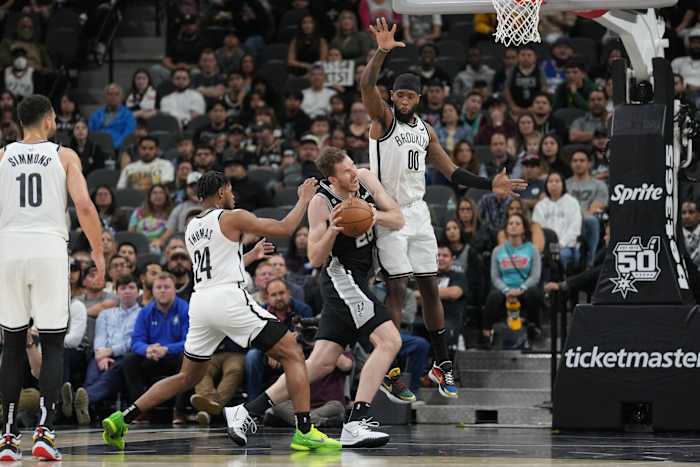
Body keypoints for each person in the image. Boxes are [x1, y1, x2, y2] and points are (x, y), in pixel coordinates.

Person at [101, 173, 340, 451]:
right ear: (222, 191)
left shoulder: (191, 227)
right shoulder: (232, 217)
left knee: (186, 377)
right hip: (228, 298)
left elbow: (217, 263)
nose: (234, 195)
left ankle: (121, 418)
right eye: (231, 190)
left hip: (201, 303)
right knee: (293, 352)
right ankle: (304, 431)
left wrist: (250, 256)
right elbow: (285, 227)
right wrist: (303, 200)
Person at [361, 18, 526, 402]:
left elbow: (451, 171)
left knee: (429, 288)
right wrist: (382, 51)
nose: (403, 100)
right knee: (398, 288)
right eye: (399, 95)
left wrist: (491, 184)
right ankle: (391, 365)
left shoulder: (425, 131)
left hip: (417, 213)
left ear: (418, 99)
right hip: (389, 213)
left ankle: (442, 363)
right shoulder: (382, 120)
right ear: (393, 96)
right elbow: (367, 85)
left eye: (409, 96)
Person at [228, 147, 404, 448]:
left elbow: (397, 218)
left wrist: (369, 214)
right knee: (390, 341)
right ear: (332, 178)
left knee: (320, 363)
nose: (353, 173)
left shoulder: (364, 179)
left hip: (359, 279)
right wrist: (334, 230)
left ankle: (246, 411)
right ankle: (357, 421)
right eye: (346, 171)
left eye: (352, 166)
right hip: (341, 278)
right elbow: (314, 256)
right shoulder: (322, 202)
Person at [0, 95, 105, 461]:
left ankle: (8, 436)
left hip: (8, 249)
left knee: (12, 344)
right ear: (48, 121)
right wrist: (98, 251)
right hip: (47, 248)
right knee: (53, 342)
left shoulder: (2, 156)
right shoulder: (64, 156)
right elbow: (85, 206)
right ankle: (45, 432)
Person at [122, 273, 190, 426]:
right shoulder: (146, 311)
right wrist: (147, 349)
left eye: (167, 287)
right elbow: (136, 341)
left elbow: (189, 341)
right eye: (159, 287)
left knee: (188, 359)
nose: (163, 291)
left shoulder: (185, 308)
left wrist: (167, 349)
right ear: (152, 291)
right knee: (129, 361)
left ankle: (179, 411)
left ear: (174, 290)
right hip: (153, 357)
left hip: (175, 356)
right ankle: (141, 410)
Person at [73, 274, 141, 426]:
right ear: (117, 292)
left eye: (131, 287)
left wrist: (111, 352)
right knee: (92, 374)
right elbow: (99, 337)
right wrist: (101, 355)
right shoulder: (105, 314)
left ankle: (78, 401)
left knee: (109, 376)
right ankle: (82, 405)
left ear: (138, 291)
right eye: (123, 288)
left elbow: (135, 341)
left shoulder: (143, 314)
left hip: (126, 356)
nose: (127, 291)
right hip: (101, 356)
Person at [482, 213, 543, 347]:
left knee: (534, 293)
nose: (514, 226)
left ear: (523, 229)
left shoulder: (532, 249)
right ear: (506, 228)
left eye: (517, 223)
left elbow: (535, 276)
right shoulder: (498, 251)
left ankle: (535, 327)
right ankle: (486, 333)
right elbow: (495, 276)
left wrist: (521, 289)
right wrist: (506, 290)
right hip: (504, 291)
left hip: (524, 290)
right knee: (493, 296)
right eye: (511, 223)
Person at [566, 149, 608, 266]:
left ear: (589, 164)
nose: (578, 163)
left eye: (582, 160)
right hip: (567, 221)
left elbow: (596, 207)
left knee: (590, 220)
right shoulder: (565, 184)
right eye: (574, 161)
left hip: (589, 221)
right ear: (570, 164)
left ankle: (591, 260)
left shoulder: (599, 185)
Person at [532, 172, 582, 270]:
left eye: (557, 181)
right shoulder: (540, 205)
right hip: (544, 247)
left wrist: (560, 245)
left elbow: (575, 229)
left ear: (563, 184)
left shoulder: (572, 202)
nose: (553, 184)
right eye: (550, 181)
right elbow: (537, 229)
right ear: (546, 185)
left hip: (567, 246)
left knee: (561, 256)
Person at [88, 84, 136, 151]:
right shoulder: (96, 114)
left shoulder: (128, 115)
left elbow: (127, 135)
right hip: (97, 147)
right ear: (105, 96)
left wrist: (114, 146)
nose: (113, 97)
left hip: (118, 148)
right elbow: (91, 132)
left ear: (121, 97)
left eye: (117, 94)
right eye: (110, 94)